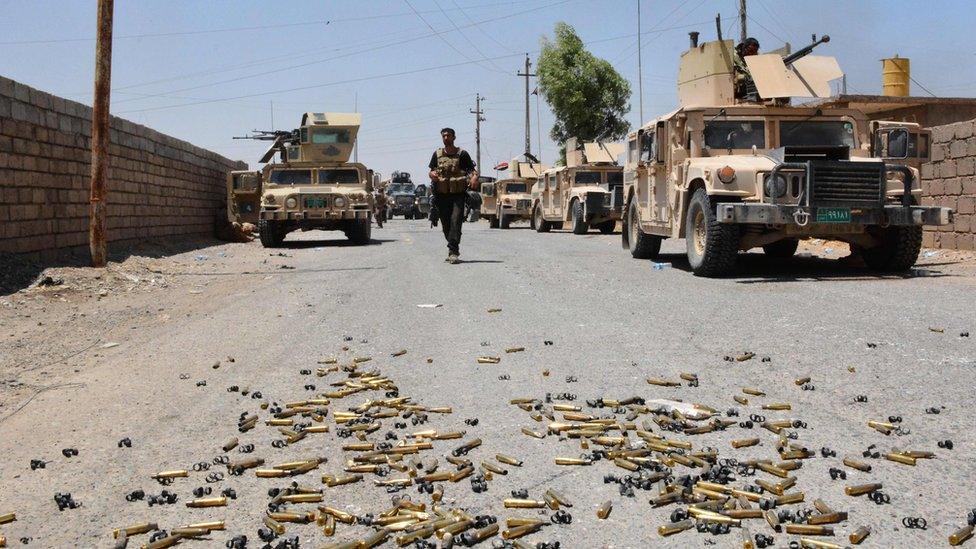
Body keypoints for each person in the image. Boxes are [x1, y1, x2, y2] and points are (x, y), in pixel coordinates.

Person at [428, 128, 478, 264]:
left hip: (458, 195)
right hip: (442, 195)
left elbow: (472, 171)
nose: (446, 138)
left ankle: (453, 251)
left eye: (448, 136)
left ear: (454, 137)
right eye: (444, 136)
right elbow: (431, 171)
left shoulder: (462, 154)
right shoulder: (437, 154)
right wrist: (432, 174)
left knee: (456, 220)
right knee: (446, 225)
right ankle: (452, 243)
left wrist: (474, 178)